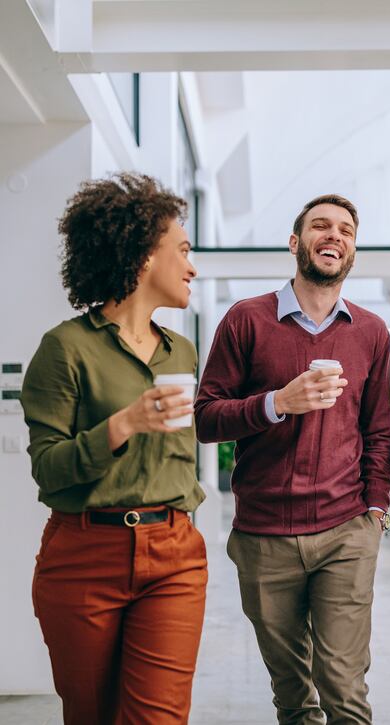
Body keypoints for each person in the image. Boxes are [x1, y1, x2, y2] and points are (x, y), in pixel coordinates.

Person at [194, 193, 390, 724]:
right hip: (264, 536)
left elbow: (377, 429)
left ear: (353, 250)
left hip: (346, 529)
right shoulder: (246, 320)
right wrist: (277, 403)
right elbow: (206, 417)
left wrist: (375, 507)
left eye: (346, 230)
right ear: (295, 242)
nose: (334, 236)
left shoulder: (371, 331)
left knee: (343, 686)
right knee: (292, 694)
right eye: (320, 226)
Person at [20, 173, 207, 725]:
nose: (191, 266)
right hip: (84, 557)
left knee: (157, 719)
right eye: (182, 250)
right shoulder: (65, 349)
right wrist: (121, 425)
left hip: (174, 553)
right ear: (146, 256)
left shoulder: (184, 351)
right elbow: (49, 472)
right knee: (91, 716)